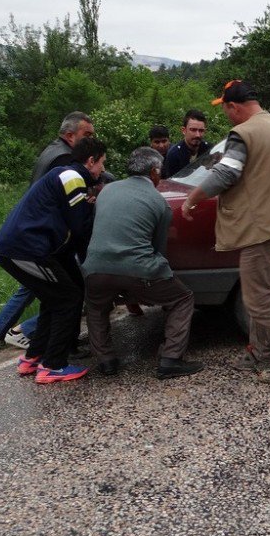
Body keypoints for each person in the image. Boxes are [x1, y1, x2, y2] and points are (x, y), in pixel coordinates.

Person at [181, 80, 270, 384]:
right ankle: (260, 354)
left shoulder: (244, 133)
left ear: (234, 106)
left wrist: (192, 198)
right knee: (261, 290)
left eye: (226, 108)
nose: (227, 116)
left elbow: (226, 173)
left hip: (264, 227)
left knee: (258, 298)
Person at [0, 137, 106, 384]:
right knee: (68, 298)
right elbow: (79, 227)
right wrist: (92, 209)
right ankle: (53, 365)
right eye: (102, 164)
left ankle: (33, 357)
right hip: (27, 249)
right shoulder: (73, 177)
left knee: (56, 297)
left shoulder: (64, 175)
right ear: (91, 160)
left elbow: (69, 221)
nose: (103, 170)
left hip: (28, 248)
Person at [82, 147, 203, 379]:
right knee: (182, 298)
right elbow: (157, 251)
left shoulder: (106, 191)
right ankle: (171, 359)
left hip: (95, 269)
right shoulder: (159, 203)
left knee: (97, 307)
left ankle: (106, 362)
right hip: (139, 269)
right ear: (155, 172)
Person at [162, 109, 212, 179]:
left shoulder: (210, 149)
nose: (197, 135)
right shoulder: (174, 154)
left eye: (201, 130)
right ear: (184, 130)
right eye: (193, 130)